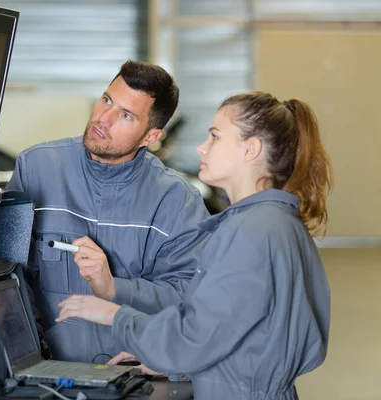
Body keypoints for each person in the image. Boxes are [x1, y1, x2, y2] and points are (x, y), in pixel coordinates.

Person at [56, 91, 332, 399]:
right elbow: (241, 334)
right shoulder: (276, 221)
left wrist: (113, 315)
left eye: (215, 137)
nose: (202, 147)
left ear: (251, 149)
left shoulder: (252, 230)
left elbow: (193, 337)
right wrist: (181, 368)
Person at [6, 60, 210, 363]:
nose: (104, 119)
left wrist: (116, 289)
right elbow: (6, 275)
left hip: (132, 381)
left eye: (125, 115)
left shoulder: (177, 201)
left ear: (151, 136)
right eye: (106, 100)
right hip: (44, 376)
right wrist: (33, 354)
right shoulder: (36, 169)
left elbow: (192, 297)